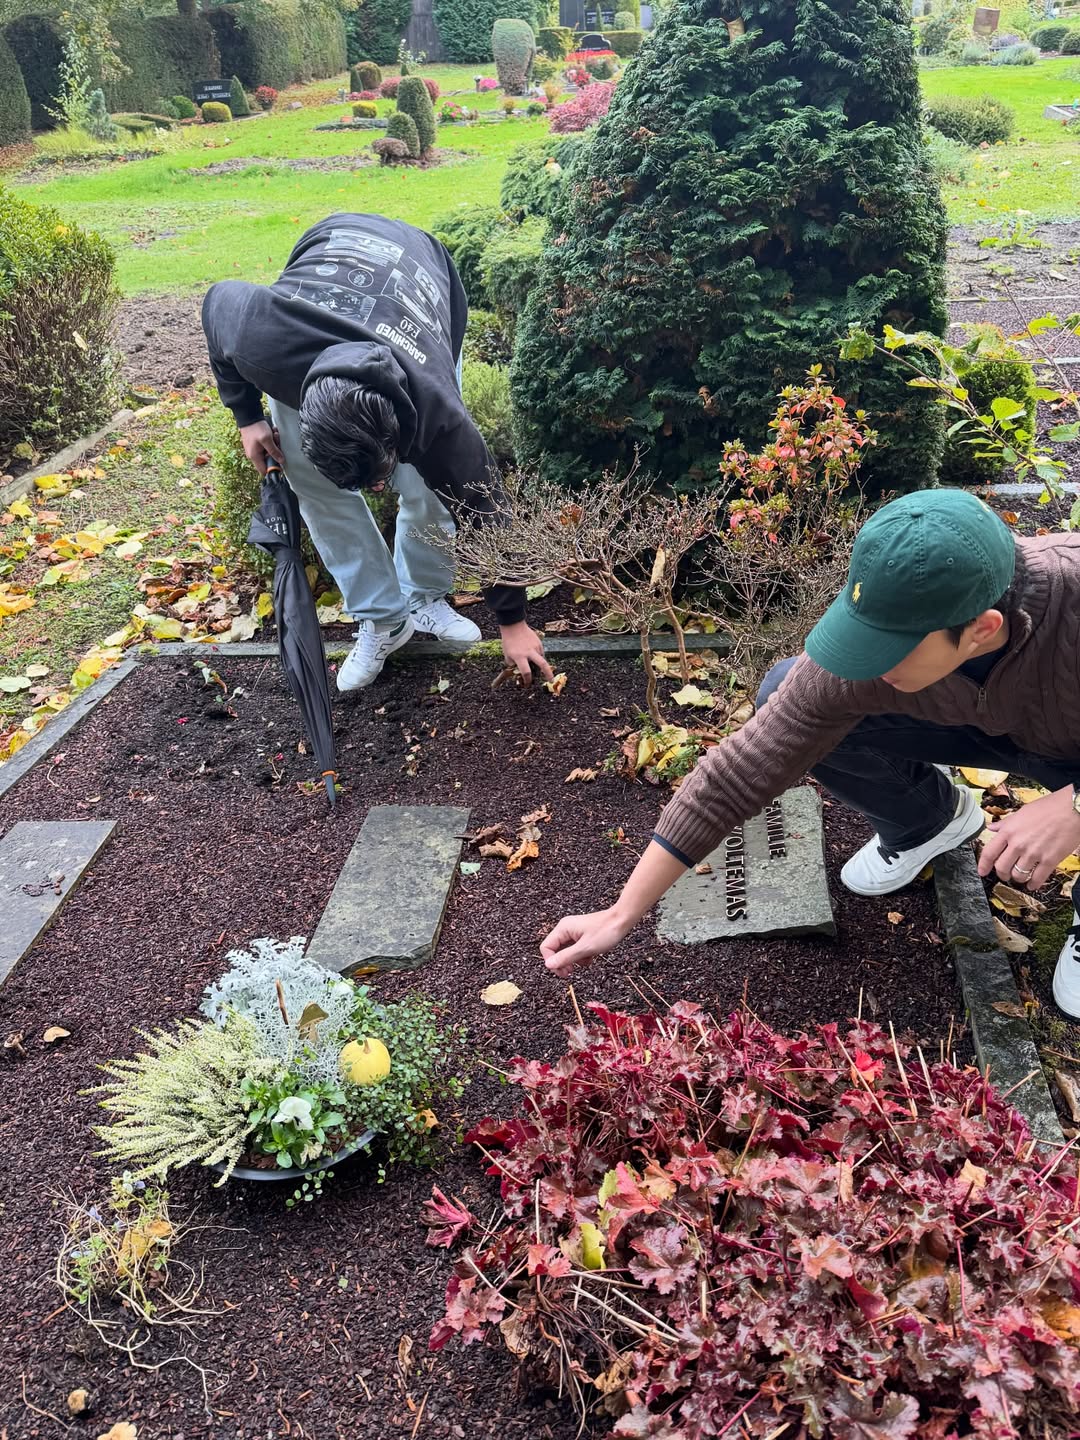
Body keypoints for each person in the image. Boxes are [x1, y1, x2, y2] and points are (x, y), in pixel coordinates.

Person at [541, 489, 1080, 1018]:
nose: (869, 663)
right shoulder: (886, 635)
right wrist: (621, 913)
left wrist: (1073, 805)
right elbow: (738, 771)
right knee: (784, 689)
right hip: (981, 726)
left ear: (981, 629)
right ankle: (926, 821)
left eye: (892, 650)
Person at [202, 213, 551, 692]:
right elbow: (216, 300)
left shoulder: (439, 417)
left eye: (378, 478)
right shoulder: (262, 338)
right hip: (326, 266)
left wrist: (513, 622)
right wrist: (247, 416)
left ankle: (423, 596)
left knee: (429, 490)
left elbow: (484, 509)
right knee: (314, 488)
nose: (378, 490)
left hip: (420, 273)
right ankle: (385, 620)